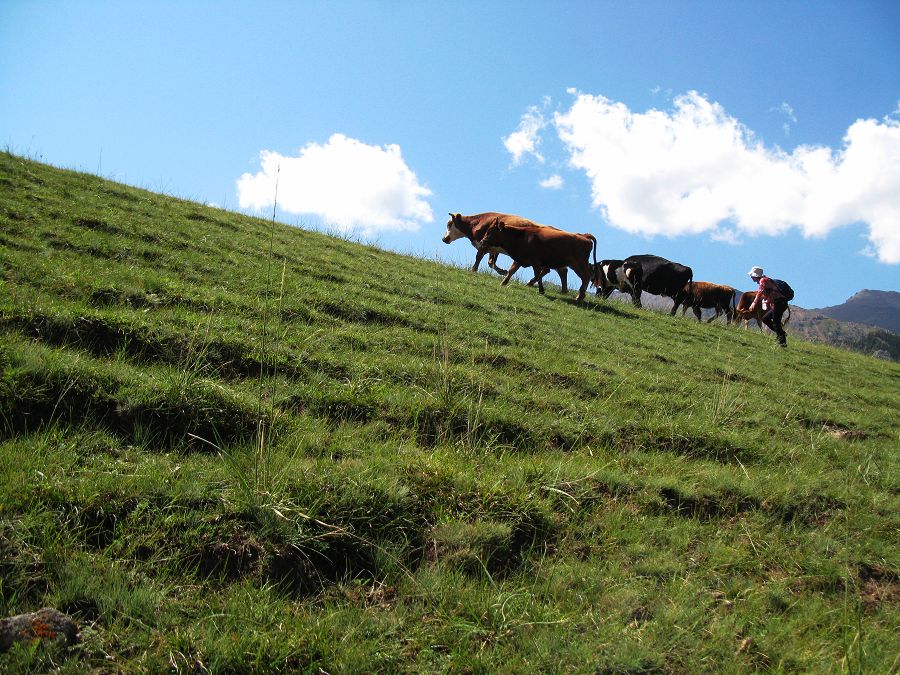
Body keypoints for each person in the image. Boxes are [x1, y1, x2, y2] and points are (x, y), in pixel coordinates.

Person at [747, 266, 788, 347]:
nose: (751, 277)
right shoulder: (766, 280)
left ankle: (782, 342)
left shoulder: (763, 280)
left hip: (779, 303)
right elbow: (770, 294)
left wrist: (754, 303)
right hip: (779, 303)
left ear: (755, 275)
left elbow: (760, 292)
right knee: (766, 319)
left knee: (776, 322)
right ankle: (781, 334)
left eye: (751, 275)